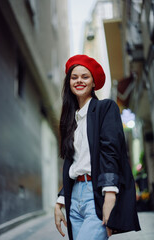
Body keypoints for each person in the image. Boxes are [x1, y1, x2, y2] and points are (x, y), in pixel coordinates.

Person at [54, 55, 141, 240]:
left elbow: (111, 152)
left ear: (93, 83)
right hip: (74, 196)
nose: (79, 81)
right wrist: (60, 201)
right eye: (74, 77)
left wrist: (110, 194)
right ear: (68, 82)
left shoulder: (105, 108)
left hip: (96, 193)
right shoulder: (70, 120)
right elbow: (74, 164)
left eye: (85, 77)